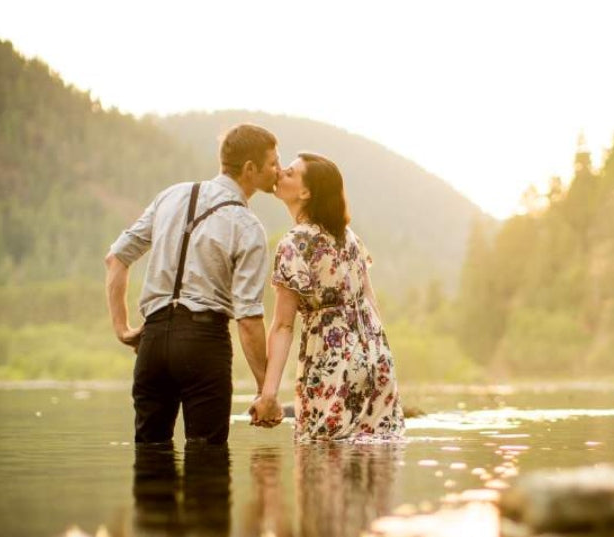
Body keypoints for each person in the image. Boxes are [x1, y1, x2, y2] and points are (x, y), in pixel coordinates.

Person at [105, 123, 280, 445]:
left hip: (152, 341)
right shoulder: (248, 226)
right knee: (207, 462)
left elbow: (117, 258)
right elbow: (249, 317)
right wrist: (264, 391)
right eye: (273, 163)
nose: (278, 171)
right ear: (250, 169)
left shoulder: (171, 196)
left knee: (150, 454)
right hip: (204, 343)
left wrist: (122, 328)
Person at [249, 153, 405, 442]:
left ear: (305, 192)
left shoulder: (295, 244)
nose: (281, 172)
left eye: (290, 173)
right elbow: (370, 300)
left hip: (333, 362)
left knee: (324, 461)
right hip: (376, 357)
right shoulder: (349, 237)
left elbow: (283, 326)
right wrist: (379, 357)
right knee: (377, 466)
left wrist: (268, 395)